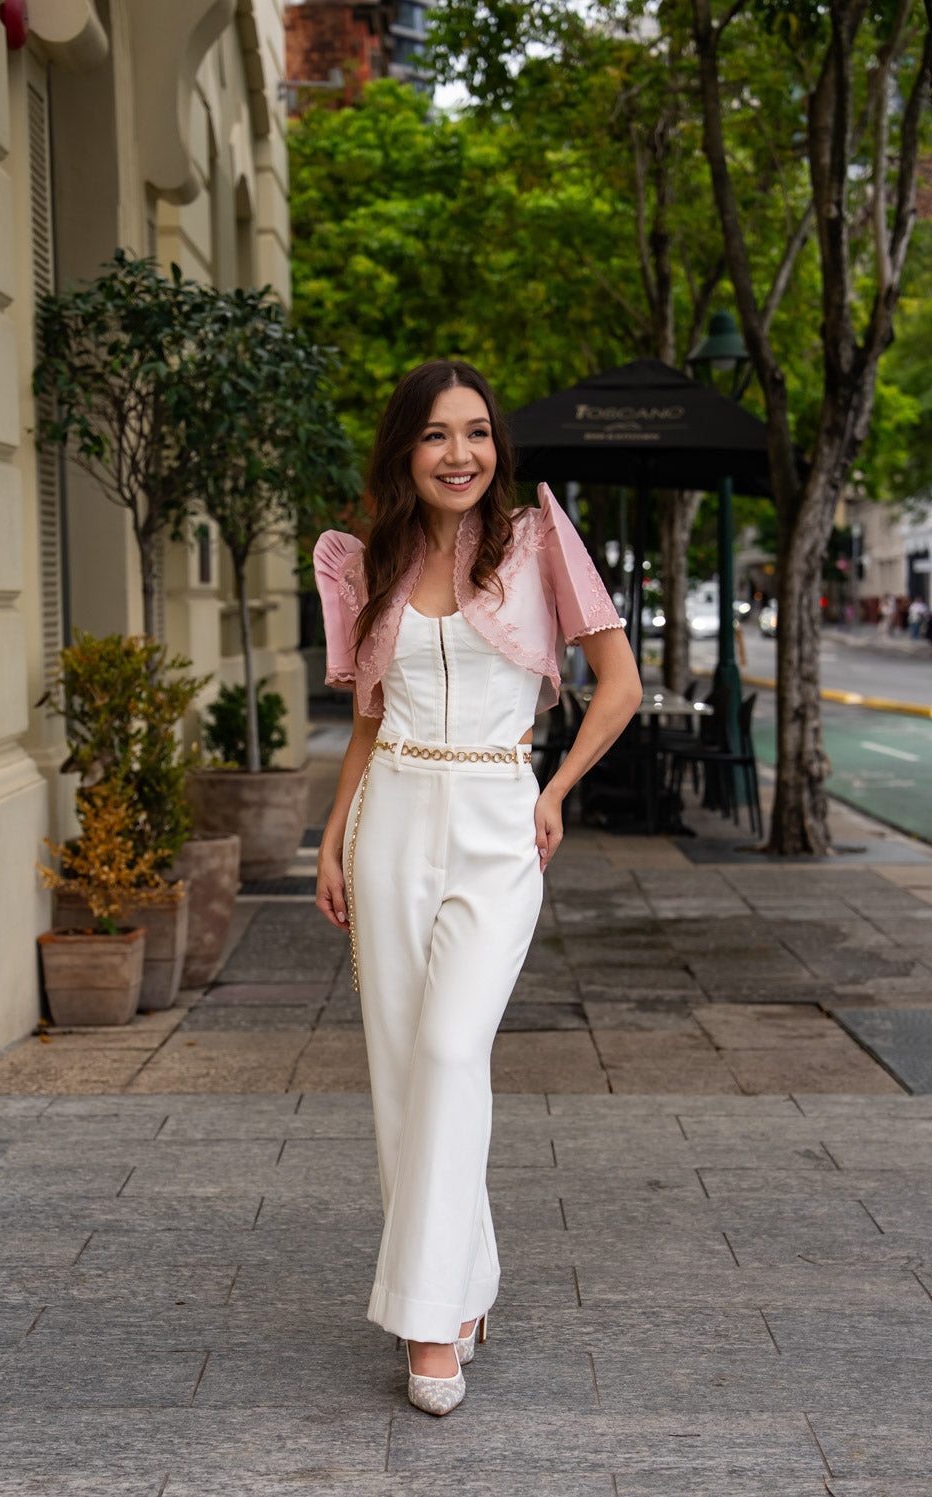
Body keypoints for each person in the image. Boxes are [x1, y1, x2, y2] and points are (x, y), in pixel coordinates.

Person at [313, 360, 641, 1417]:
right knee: (406, 1075)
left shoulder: (538, 546)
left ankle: (424, 1321)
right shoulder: (370, 564)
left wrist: (556, 787)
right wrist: (330, 839)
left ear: (496, 448)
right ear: (405, 449)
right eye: (438, 435)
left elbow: (619, 683)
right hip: (390, 819)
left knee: (455, 1051)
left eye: (479, 433)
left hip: (498, 820)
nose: (462, 454)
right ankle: (463, 1286)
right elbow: (367, 718)